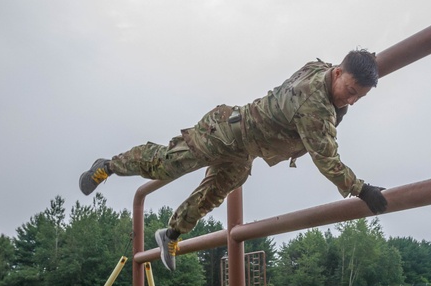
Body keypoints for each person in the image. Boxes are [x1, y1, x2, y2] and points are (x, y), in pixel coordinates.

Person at [79, 50, 388, 271]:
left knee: (212, 194)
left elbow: (337, 78)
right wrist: (362, 189)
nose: (350, 100)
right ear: (337, 73)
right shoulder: (315, 106)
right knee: (166, 165)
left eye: (358, 97)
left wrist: (362, 70)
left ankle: (170, 234)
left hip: (244, 150)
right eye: (349, 91)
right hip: (224, 130)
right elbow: (327, 160)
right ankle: (108, 166)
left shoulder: (319, 66)